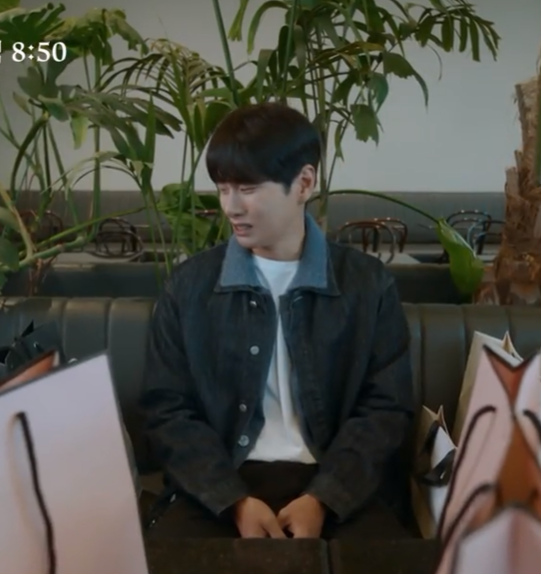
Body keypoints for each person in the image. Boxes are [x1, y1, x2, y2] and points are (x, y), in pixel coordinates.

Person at [140, 102, 415, 540]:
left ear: (304, 183)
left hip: (335, 483)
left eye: (247, 188)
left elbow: (386, 409)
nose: (231, 206)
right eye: (223, 188)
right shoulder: (189, 287)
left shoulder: (367, 285)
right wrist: (232, 500)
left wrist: (324, 499)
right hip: (220, 483)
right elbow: (167, 410)